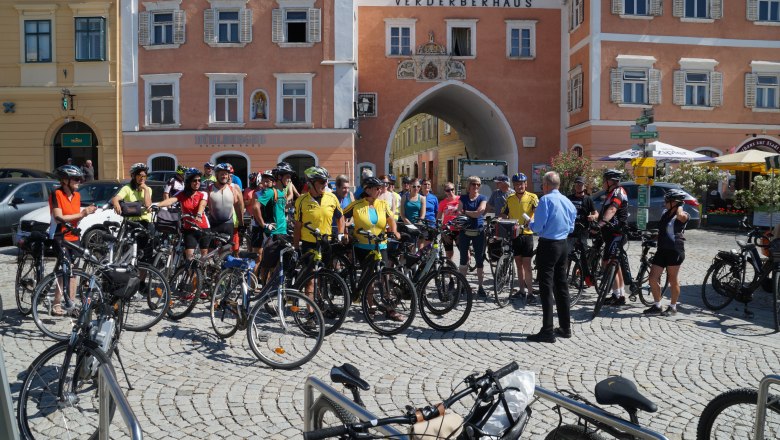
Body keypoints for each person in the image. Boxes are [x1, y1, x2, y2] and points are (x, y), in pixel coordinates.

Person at [343, 177, 403, 321]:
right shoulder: (356, 205)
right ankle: (371, 307)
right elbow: (341, 217)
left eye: (380, 188)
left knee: (385, 276)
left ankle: (390, 309)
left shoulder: (382, 204)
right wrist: (344, 233)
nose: (380, 190)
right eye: (377, 188)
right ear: (367, 189)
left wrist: (394, 231)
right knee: (369, 277)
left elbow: (391, 220)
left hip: (380, 245)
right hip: (363, 247)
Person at [527, 171, 576, 343]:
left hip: (549, 245)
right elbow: (571, 227)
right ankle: (565, 327)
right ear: (559, 185)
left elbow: (538, 227)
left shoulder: (545, 200)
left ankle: (547, 330)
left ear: (546, 185)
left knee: (546, 287)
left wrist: (530, 224)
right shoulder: (568, 201)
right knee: (561, 286)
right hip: (563, 244)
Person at [48, 165, 97, 315]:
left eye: (80, 179)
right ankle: (56, 304)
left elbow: (75, 217)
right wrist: (83, 213)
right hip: (59, 235)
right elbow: (59, 217)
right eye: (76, 179)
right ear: (64, 180)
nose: (79, 181)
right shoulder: (56, 194)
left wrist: (85, 213)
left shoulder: (77, 196)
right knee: (65, 268)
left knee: (74, 271)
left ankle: (71, 304)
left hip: (74, 236)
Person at [644, 189, 690, 316]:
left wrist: (679, 206)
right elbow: (663, 231)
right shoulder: (665, 213)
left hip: (675, 250)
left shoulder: (684, 214)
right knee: (652, 278)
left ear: (674, 202)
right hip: (662, 249)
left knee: (672, 279)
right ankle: (657, 305)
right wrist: (651, 236)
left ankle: (673, 307)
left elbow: (681, 217)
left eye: (667, 201)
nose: (664, 203)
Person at [158, 169, 210, 271]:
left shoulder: (203, 193)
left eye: (199, 180)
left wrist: (199, 214)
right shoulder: (182, 194)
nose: (197, 183)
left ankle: (202, 279)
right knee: (189, 258)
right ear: (188, 181)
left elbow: (202, 204)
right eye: (194, 181)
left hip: (203, 227)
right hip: (189, 228)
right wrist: (157, 205)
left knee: (204, 257)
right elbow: (171, 200)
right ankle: (190, 281)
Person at [501, 173, 538, 301]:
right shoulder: (509, 198)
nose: (519, 186)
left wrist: (532, 221)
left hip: (527, 234)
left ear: (525, 184)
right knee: (518, 263)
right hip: (515, 234)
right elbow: (505, 214)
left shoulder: (533, 197)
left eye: (521, 184)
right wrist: (501, 221)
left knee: (527, 264)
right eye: (516, 184)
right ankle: (521, 290)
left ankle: (530, 293)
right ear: (514, 186)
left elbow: (537, 212)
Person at [597, 169, 630, 306]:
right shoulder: (611, 193)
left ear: (611, 181)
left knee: (609, 263)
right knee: (614, 265)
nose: (603, 182)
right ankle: (620, 294)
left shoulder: (617, 192)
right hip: (612, 234)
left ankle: (617, 296)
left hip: (616, 234)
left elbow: (612, 210)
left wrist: (600, 224)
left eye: (604, 180)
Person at [111, 163, 153, 261]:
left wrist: (145, 189)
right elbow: (116, 198)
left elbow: (148, 205)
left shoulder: (148, 189)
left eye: (144, 176)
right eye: (139, 175)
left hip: (145, 224)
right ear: (133, 176)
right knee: (128, 253)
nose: (142, 178)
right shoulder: (127, 188)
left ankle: (142, 275)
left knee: (145, 256)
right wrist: (116, 202)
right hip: (131, 224)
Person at [255, 167, 290, 281]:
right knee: (267, 264)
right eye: (287, 177)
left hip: (283, 232)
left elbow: (281, 209)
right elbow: (256, 207)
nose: (289, 180)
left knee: (276, 264)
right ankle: (264, 288)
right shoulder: (270, 191)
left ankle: (271, 287)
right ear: (279, 178)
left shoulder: (282, 192)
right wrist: (263, 224)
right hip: (273, 233)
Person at [457, 176, 488, 297]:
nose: (476, 187)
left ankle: (480, 286)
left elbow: (479, 213)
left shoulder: (482, 198)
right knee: (463, 259)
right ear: (468, 186)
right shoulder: (463, 198)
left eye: (478, 185)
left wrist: (465, 212)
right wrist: (468, 213)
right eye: (474, 184)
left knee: (480, 260)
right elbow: (458, 212)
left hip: (478, 231)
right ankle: (463, 285)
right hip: (465, 231)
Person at [206, 163, 244, 254]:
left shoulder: (234, 188)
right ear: (216, 175)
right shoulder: (209, 188)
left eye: (226, 174)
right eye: (222, 174)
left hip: (228, 224)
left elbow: (239, 207)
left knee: (226, 252)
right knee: (211, 252)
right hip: (213, 224)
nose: (224, 176)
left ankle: (223, 268)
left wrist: (241, 224)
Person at [567, 176, 598, 285]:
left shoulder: (588, 199)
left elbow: (595, 213)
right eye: (577, 184)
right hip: (570, 231)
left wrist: (593, 217)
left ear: (584, 186)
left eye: (581, 184)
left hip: (582, 231)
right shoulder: (569, 198)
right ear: (574, 186)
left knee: (583, 256)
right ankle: (564, 276)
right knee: (566, 254)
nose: (579, 186)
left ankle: (583, 277)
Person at [437, 181, 460, 262]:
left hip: (459, 229)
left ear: (454, 189)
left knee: (464, 252)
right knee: (449, 254)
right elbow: (439, 217)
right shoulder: (443, 203)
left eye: (452, 189)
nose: (450, 192)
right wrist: (441, 230)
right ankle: (449, 272)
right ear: (445, 192)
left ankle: (463, 272)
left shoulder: (460, 199)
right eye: (448, 190)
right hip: (447, 230)